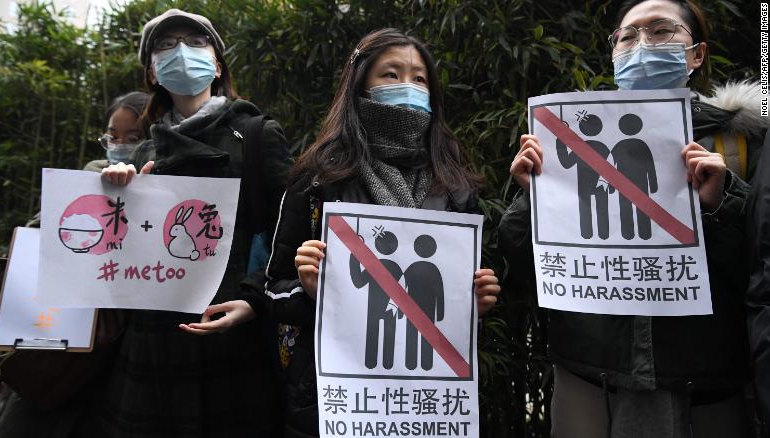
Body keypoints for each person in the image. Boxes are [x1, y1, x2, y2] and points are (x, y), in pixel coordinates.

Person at [499, 1, 769, 437]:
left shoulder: (741, 142)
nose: (642, 45)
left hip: (705, 383)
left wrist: (722, 205)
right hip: (589, 374)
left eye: (661, 31)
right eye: (628, 36)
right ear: (613, 54)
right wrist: (533, 200)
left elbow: (760, 274)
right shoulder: (568, 139)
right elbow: (525, 275)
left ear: (696, 54)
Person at [261, 28, 501, 438]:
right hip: (334, 399)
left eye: (419, 78)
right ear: (360, 85)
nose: (407, 86)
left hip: (426, 399)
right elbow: (272, 290)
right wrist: (309, 290)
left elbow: (459, 300)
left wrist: (477, 299)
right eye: (391, 75)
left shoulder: (456, 185)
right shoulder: (318, 180)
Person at [98, 9, 292, 437]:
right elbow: (112, 256)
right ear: (152, 72)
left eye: (195, 41)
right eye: (166, 46)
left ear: (217, 63)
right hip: (153, 341)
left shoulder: (257, 134)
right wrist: (117, 200)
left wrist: (254, 299)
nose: (181, 53)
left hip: (232, 329)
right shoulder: (141, 152)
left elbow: (291, 230)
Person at [0, 92, 149, 438]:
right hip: (63, 339)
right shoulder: (89, 179)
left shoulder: (166, 190)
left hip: (126, 358)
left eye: (134, 137)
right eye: (113, 136)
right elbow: (36, 237)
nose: (120, 145)